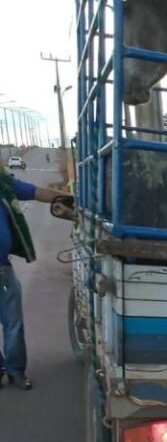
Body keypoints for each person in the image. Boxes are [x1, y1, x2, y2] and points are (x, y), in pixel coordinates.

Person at [0, 167, 70, 390]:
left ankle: (15, 371)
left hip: (4, 270)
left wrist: (75, 199)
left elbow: (36, 192)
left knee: (13, 323)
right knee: (13, 323)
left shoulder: (3, 183)